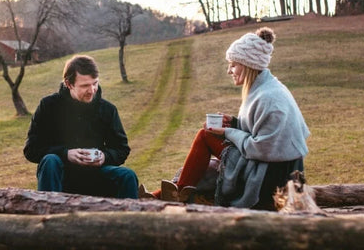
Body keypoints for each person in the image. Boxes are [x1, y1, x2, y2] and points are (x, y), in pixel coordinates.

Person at [140, 27, 309, 210]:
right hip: (267, 164)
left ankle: (175, 193)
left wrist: (229, 131)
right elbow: (264, 132)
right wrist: (234, 123)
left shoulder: (269, 97)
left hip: (269, 174)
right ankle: (171, 192)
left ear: (248, 65)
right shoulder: (267, 88)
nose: (230, 71)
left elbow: (263, 148)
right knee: (207, 135)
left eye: (233, 65)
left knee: (205, 136)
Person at [23, 55, 138, 199]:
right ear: (69, 83)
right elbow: (31, 149)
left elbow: (121, 149)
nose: (92, 90)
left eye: (94, 83)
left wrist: (105, 157)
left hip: (95, 176)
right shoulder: (48, 106)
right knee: (50, 160)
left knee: (128, 175)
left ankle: (129, 221)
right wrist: (66, 154)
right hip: (60, 175)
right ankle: (50, 217)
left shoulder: (108, 110)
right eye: (85, 86)